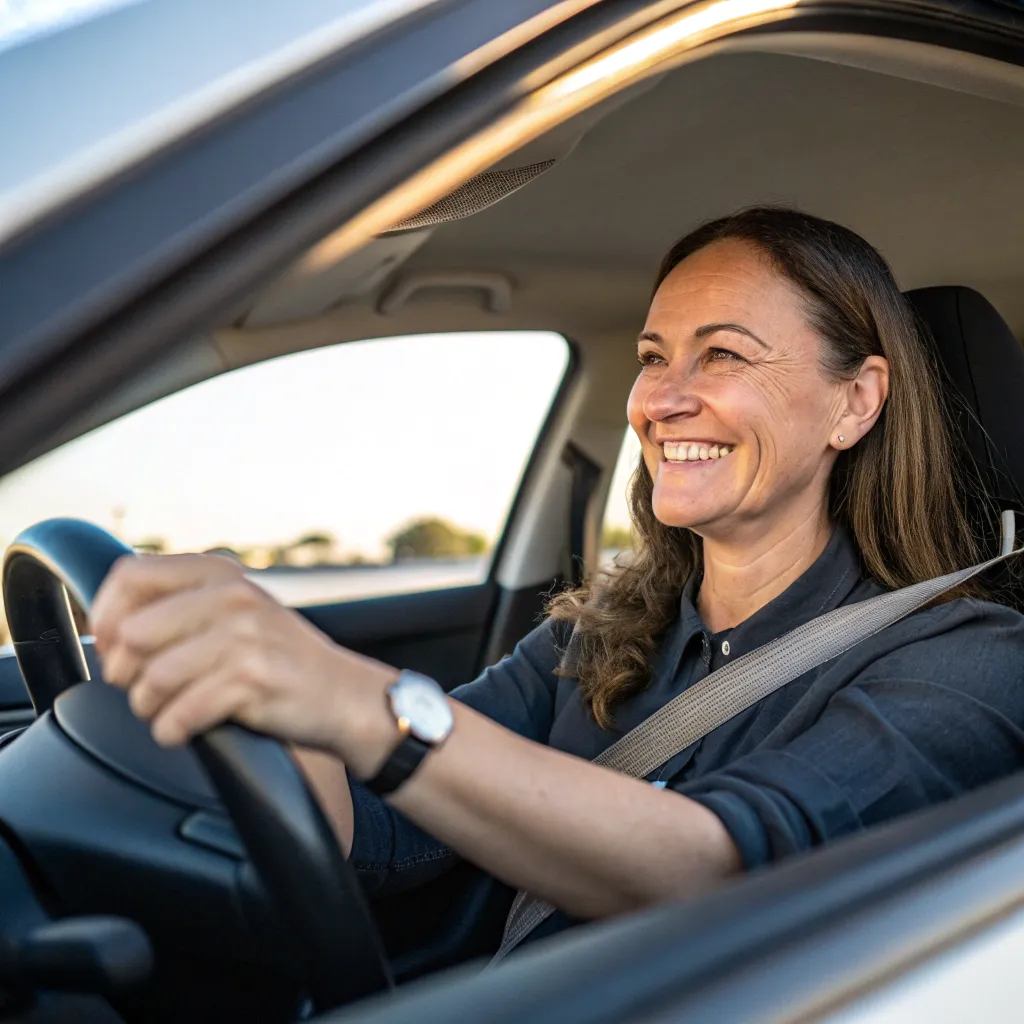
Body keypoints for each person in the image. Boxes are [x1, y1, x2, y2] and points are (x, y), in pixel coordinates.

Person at [89, 207, 1024, 957]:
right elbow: (387, 829)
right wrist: (263, 682)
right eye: (655, 357)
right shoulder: (603, 629)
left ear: (854, 402)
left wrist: (358, 701)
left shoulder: (969, 663)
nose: (659, 399)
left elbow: (720, 866)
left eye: (724, 354)